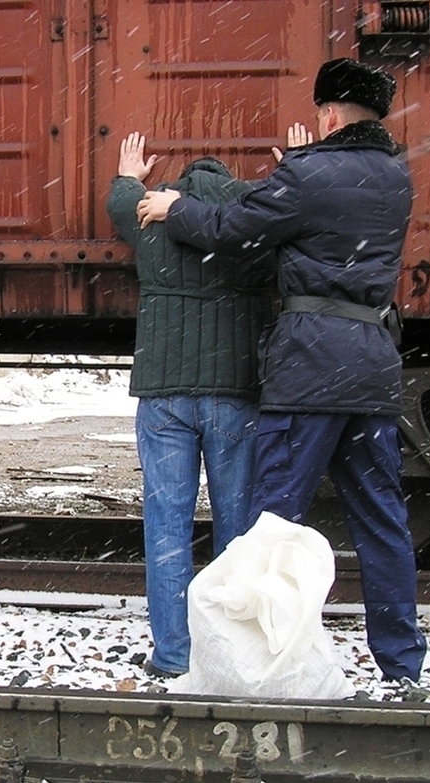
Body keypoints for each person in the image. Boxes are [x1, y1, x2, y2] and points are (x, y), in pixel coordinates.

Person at [135, 58, 427, 682]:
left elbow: (233, 228)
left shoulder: (311, 175)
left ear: (327, 114)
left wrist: (171, 207)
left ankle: (266, 658)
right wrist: (296, 170)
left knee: (271, 526)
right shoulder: (397, 178)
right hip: (373, 368)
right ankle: (402, 663)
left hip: (311, 370)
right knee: (381, 519)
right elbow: (322, 213)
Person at [107, 134, 275, 678]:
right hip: (234, 393)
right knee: (237, 528)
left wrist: (129, 174)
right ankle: (227, 650)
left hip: (163, 394)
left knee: (167, 526)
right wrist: (291, 170)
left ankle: (174, 654)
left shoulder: (150, 214)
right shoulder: (251, 217)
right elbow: (295, 214)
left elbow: (118, 206)